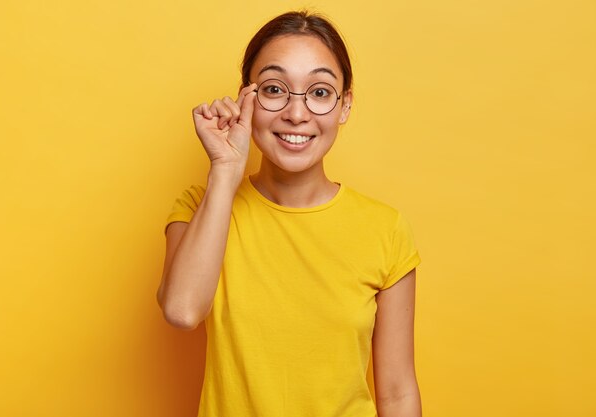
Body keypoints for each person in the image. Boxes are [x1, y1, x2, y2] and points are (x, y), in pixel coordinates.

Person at [157, 10, 422, 417]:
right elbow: (181, 310)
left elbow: (398, 391)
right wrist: (226, 170)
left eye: (319, 92)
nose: (296, 115)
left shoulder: (385, 229)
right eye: (275, 89)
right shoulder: (202, 206)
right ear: (246, 98)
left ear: (344, 106)